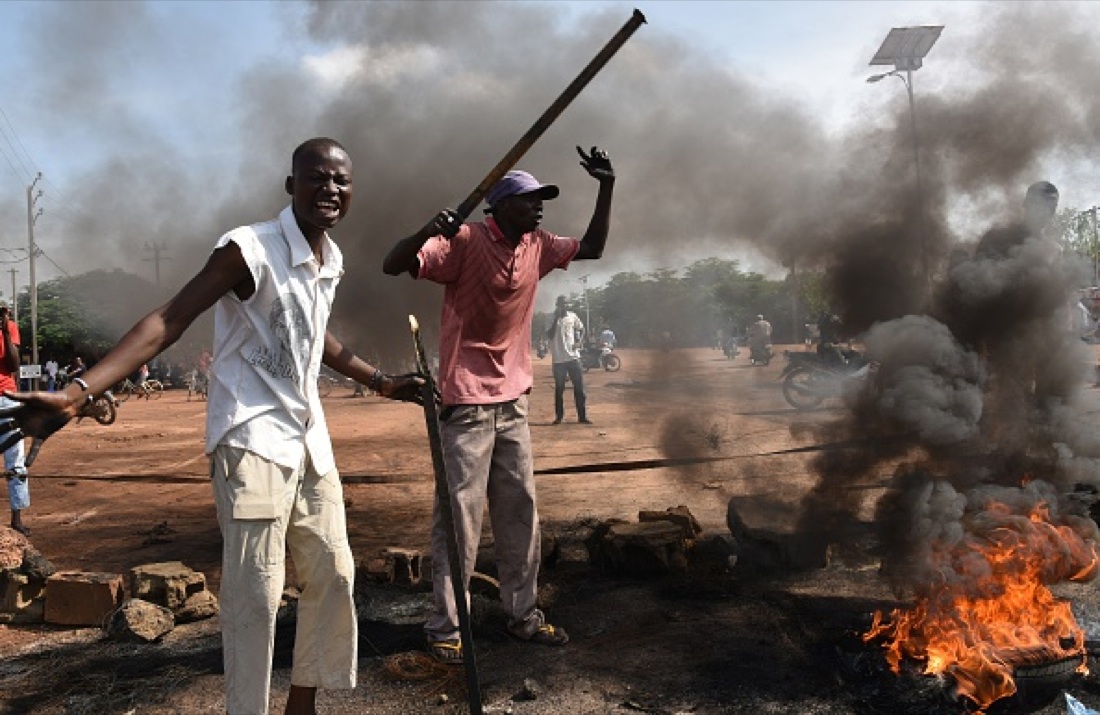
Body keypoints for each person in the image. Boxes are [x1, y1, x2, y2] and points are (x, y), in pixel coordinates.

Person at [5, 137, 420, 715]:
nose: (329, 189)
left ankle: (302, 703)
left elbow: (312, 331)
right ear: (291, 185)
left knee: (335, 574)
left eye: (341, 181)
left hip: (308, 439)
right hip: (251, 438)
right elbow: (169, 319)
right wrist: (79, 392)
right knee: (257, 594)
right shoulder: (248, 248)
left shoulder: (330, 258)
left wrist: (381, 381)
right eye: (317, 177)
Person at [382, 145, 616, 664]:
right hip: (466, 404)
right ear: (500, 206)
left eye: (542, 200)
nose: (539, 207)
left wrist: (606, 185)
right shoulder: (464, 241)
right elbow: (392, 263)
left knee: (520, 514)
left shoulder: (538, 244)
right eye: (530, 199)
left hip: (514, 403)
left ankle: (523, 615)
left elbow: (594, 248)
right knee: (459, 520)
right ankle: (446, 628)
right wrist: (429, 229)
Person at [0, 304, 28, 536]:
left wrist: (5, 332)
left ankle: (16, 518)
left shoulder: (9, 327)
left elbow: (14, 365)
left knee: (16, 461)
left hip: (7, 399)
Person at [548, 295, 589, 424]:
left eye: (566, 304)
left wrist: (579, 342)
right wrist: (556, 318)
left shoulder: (572, 316)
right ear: (557, 305)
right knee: (559, 389)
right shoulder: (550, 318)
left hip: (573, 358)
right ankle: (559, 417)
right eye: (562, 304)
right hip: (559, 360)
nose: (564, 306)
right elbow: (549, 334)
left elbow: (582, 328)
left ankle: (582, 417)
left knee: (579, 388)